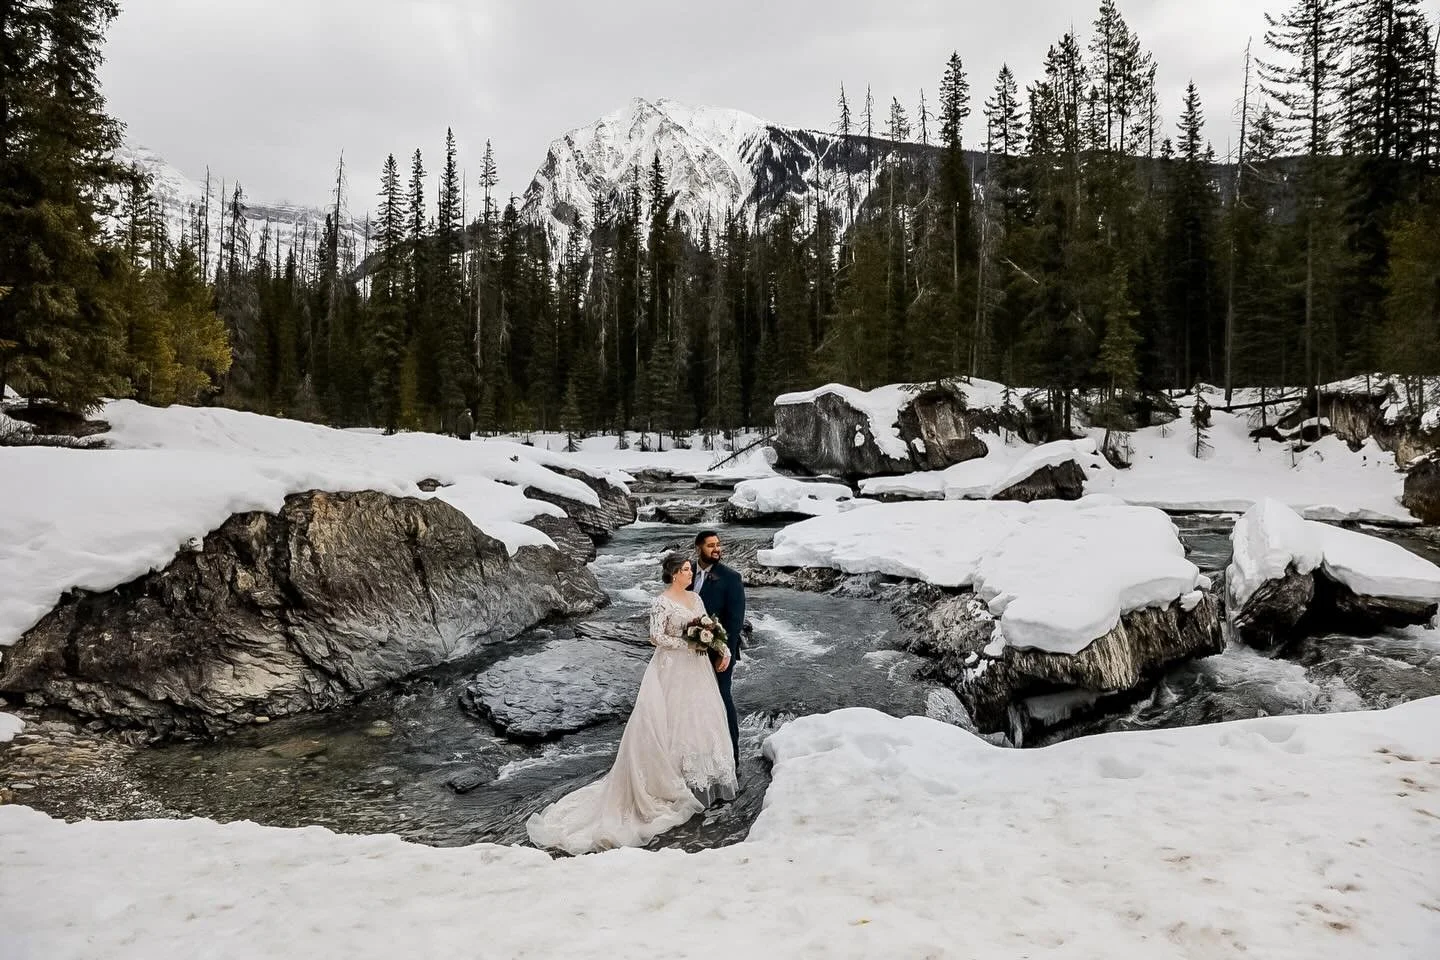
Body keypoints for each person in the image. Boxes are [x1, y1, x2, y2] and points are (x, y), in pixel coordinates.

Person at [526, 553, 737, 855]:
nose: (691, 573)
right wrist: (689, 642)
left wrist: (719, 646)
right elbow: (655, 637)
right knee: (668, 719)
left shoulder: (696, 598)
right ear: (674, 573)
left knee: (700, 717)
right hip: (669, 669)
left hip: (697, 668)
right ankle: (668, 780)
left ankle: (701, 776)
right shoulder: (661, 602)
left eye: (691, 569)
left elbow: (709, 627)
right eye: (687, 570)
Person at [691, 530, 745, 768]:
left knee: (722, 698)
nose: (717, 549)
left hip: (719, 653)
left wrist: (726, 652)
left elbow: (735, 621)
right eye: (711, 545)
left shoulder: (731, 578)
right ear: (698, 548)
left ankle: (732, 756)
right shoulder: (686, 573)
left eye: (719, 545)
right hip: (690, 654)